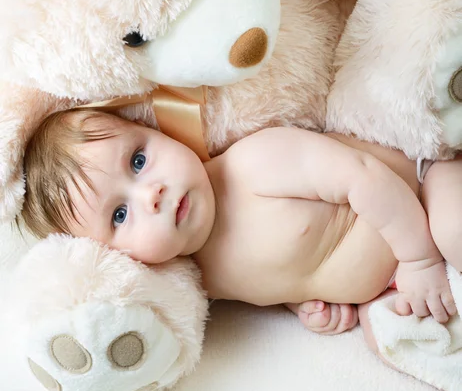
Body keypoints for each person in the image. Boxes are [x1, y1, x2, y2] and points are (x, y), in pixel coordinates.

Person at [20, 108, 460, 340]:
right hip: (389, 277)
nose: (150, 193)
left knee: (454, 232)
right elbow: (278, 270)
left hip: (421, 183)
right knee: (392, 336)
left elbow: (363, 175)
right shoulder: (202, 280)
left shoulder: (253, 164)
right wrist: (302, 301)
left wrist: (419, 258)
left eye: (138, 160)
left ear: (157, 132)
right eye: (120, 214)